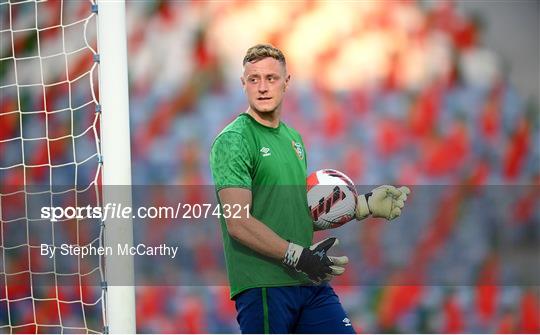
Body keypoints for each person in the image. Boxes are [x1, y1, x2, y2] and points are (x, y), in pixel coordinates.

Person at [209, 44, 410, 334]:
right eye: (254, 79)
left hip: (307, 280)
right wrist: (298, 255)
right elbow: (238, 222)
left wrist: (361, 205)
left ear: (286, 82)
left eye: (271, 78)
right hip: (265, 284)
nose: (263, 87)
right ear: (243, 84)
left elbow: (291, 213)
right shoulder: (234, 140)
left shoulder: (294, 139)